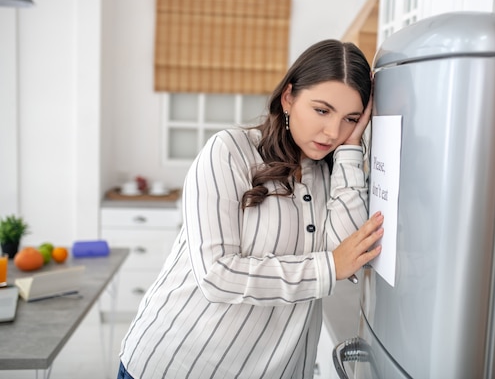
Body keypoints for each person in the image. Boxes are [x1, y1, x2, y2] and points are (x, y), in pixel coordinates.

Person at [117, 39, 384, 379]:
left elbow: (349, 258)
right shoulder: (229, 151)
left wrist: (350, 151)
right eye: (322, 110)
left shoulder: (333, 174)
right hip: (177, 365)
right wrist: (328, 266)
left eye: (351, 118)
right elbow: (217, 274)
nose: (333, 131)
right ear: (289, 97)